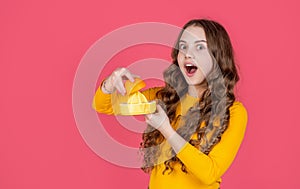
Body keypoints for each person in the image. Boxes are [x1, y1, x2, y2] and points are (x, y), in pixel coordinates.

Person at [92, 19, 248, 189]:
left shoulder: (233, 112)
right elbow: (104, 106)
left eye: (200, 47)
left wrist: (166, 129)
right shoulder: (164, 98)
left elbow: (209, 173)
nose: (188, 54)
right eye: (183, 46)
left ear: (217, 56)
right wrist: (110, 83)